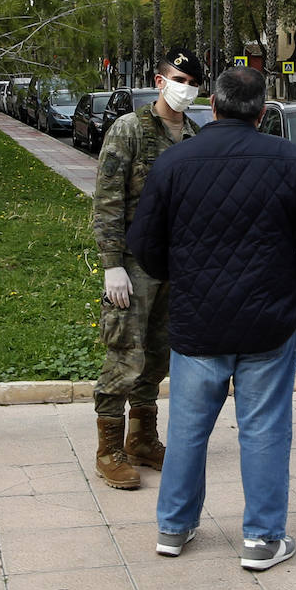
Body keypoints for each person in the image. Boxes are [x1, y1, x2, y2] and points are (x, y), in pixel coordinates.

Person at [126, 66, 296, 568]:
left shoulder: (176, 161)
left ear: (214, 108)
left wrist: (180, 278)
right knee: (264, 428)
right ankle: (263, 540)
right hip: (270, 320)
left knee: (186, 429)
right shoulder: (290, 160)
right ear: (263, 112)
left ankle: (173, 528)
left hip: (198, 321)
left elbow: (144, 242)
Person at [91, 47, 205, 491]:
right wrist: (110, 265)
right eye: (180, 79)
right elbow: (107, 200)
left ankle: (142, 439)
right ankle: (109, 449)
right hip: (133, 265)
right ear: (160, 81)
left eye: (194, 83)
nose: (187, 90)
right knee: (125, 353)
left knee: (158, 355)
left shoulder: (196, 135)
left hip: (177, 266)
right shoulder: (129, 130)